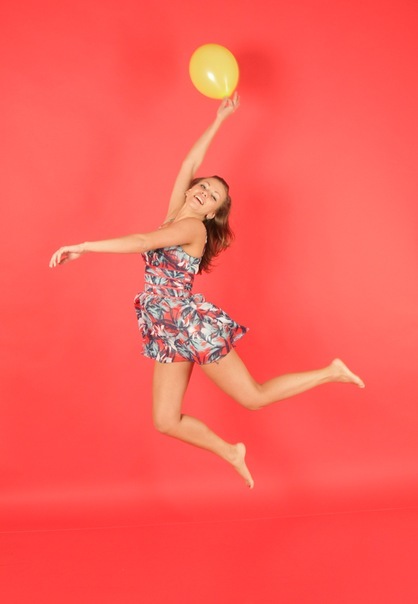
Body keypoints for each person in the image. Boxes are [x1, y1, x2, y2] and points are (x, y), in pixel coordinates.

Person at [49, 94, 365, 489]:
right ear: (191, 190)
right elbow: (189, 164)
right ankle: (231, 451)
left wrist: (85, 246)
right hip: (167, 329)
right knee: (166, 420)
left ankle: (331, 371)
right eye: (204, 188)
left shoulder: (191, 228)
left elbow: (143, 240)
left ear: (212, 212)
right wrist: (220, 119)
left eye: (213, 197)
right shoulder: (175, 214)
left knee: (253, 398)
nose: (204, 193)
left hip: (189, 325)